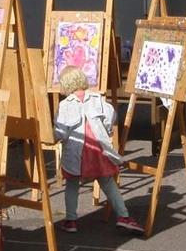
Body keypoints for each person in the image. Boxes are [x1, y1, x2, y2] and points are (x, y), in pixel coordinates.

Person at [54, 65, 143, 234]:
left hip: (76, 152)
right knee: (107, 181)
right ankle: (124, 216)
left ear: (65, 84)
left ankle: (71, 220)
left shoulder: (64, 105)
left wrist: (52, 137)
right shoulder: (96, 98)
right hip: (98, 149)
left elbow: (61, 132)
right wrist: (107, 130)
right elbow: (111, 116)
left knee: (72, 184)